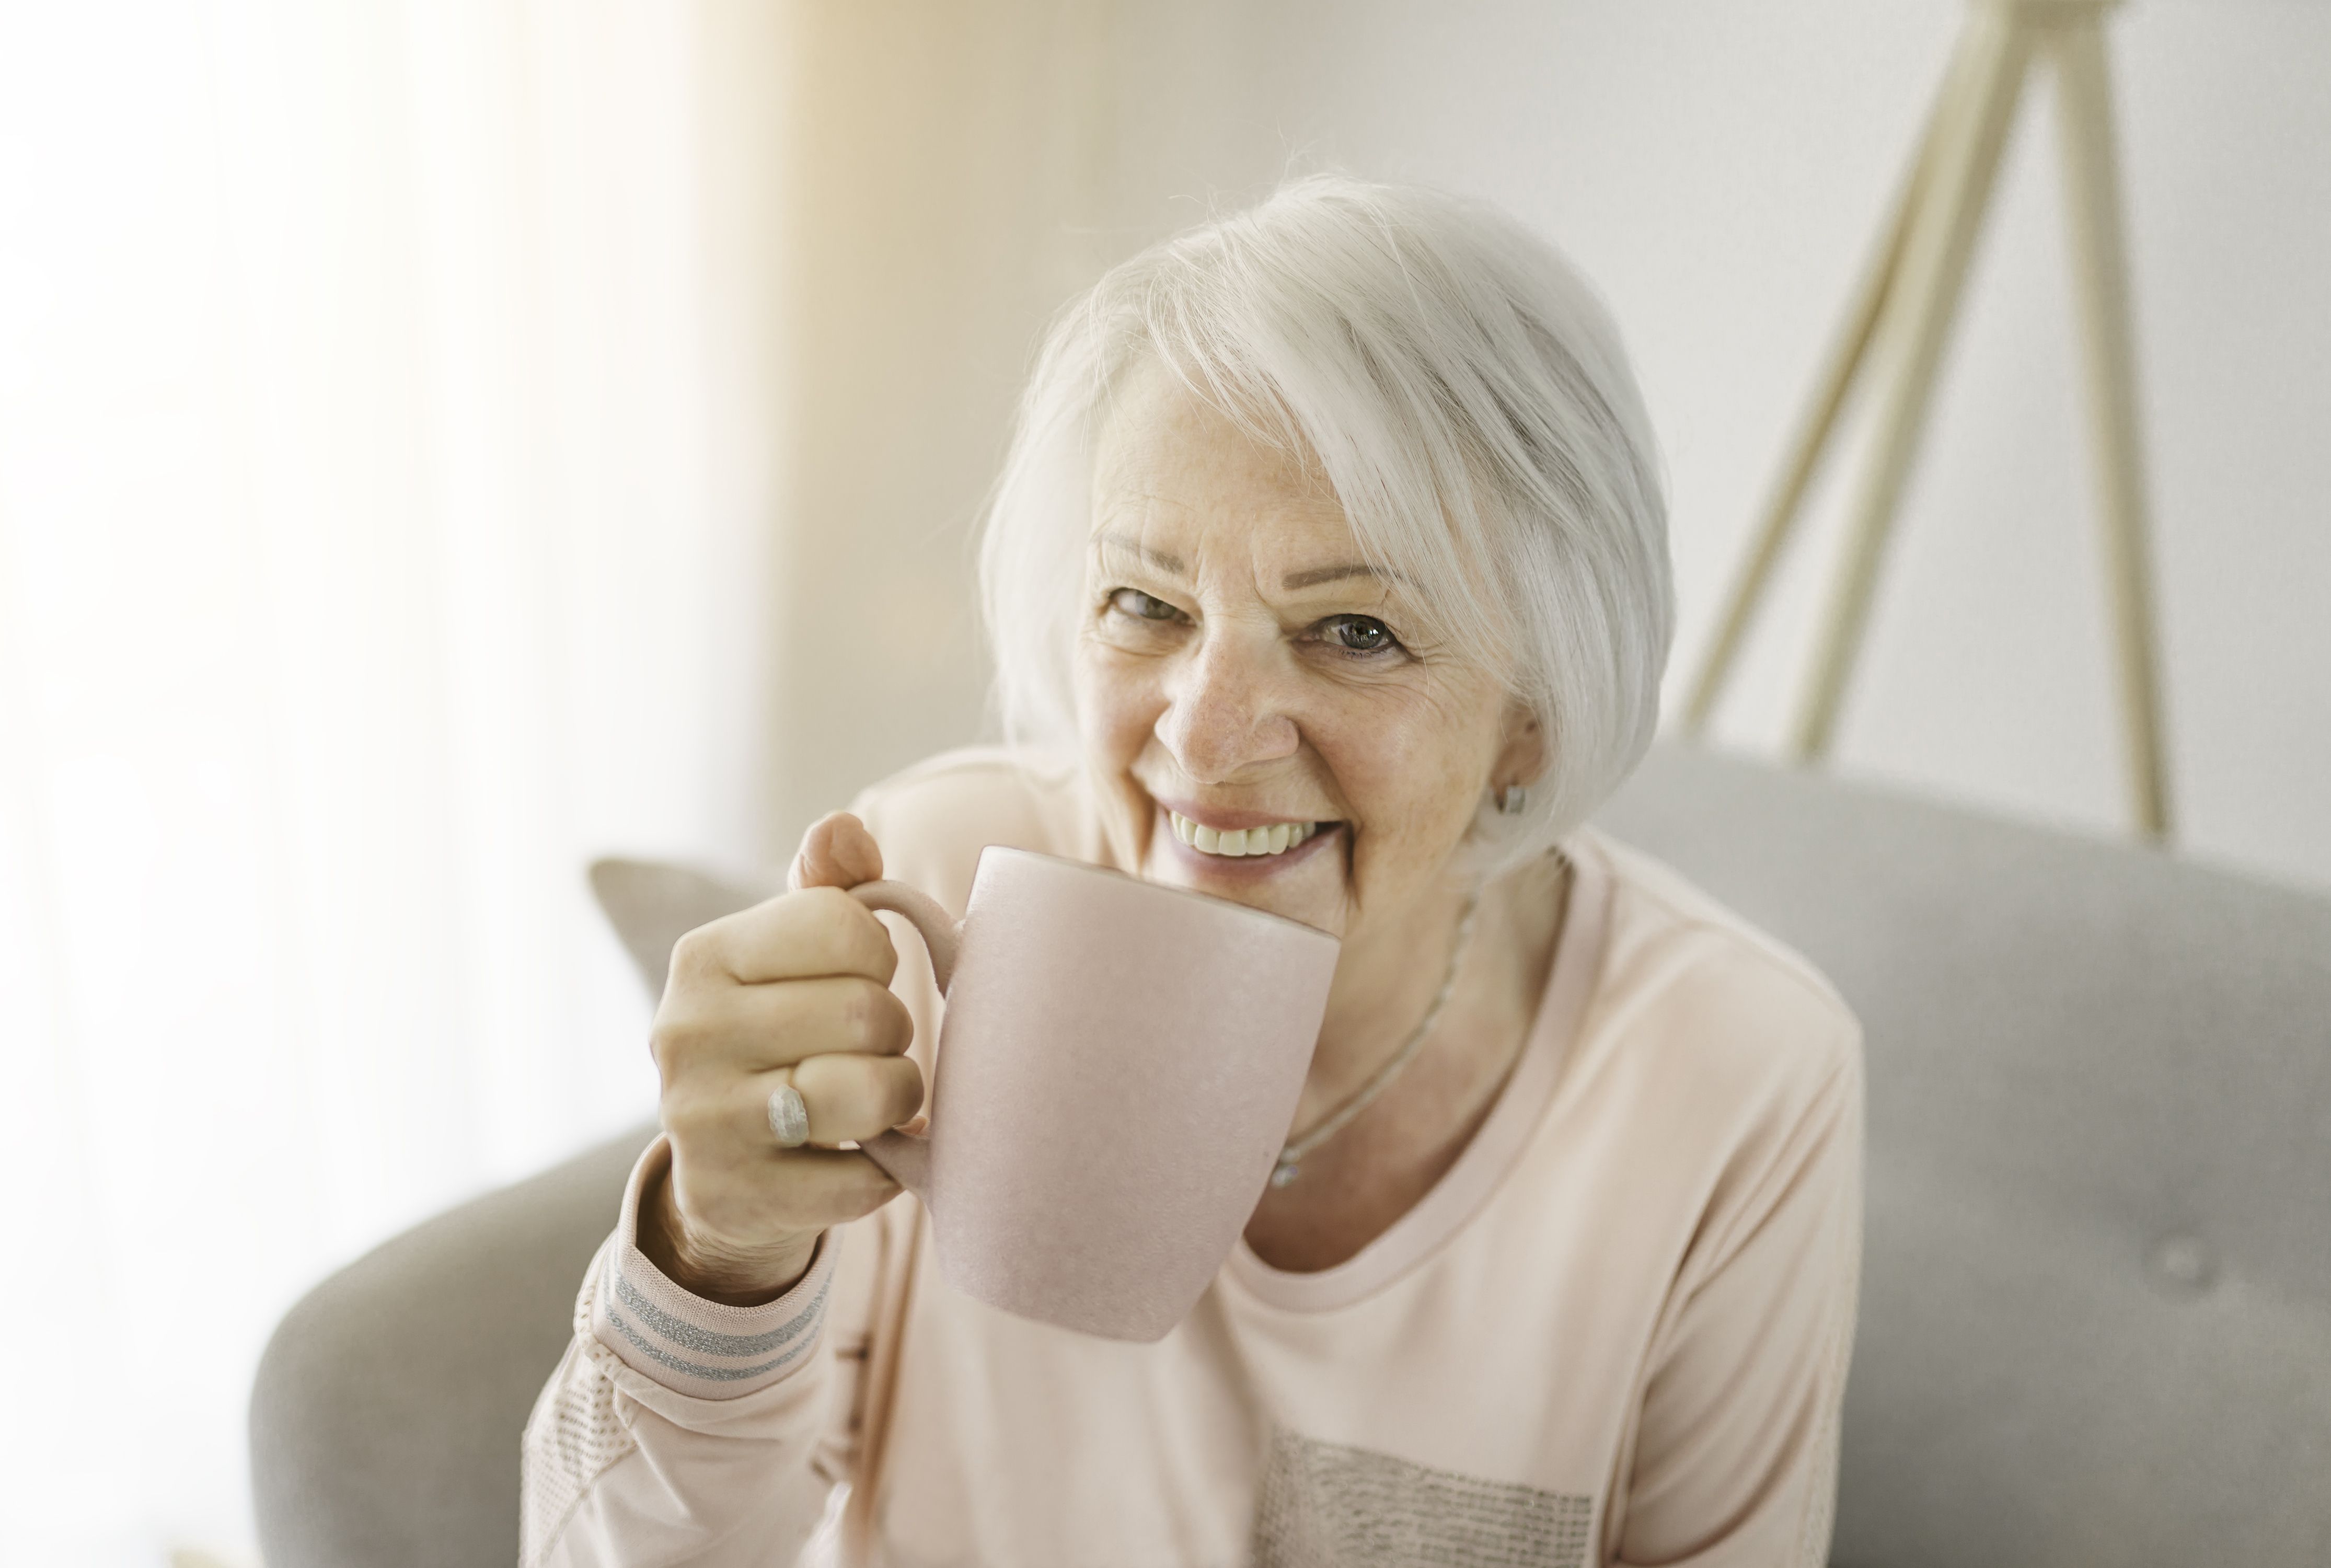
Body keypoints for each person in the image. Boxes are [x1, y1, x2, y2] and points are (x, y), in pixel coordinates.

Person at [523, 176, 1863, 1568]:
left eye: (1352, 631)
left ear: (1532, 711)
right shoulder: (938, 883)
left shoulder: (1734, 1077)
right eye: (1146, 606)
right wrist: (714, 1250)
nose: (1203, 737)